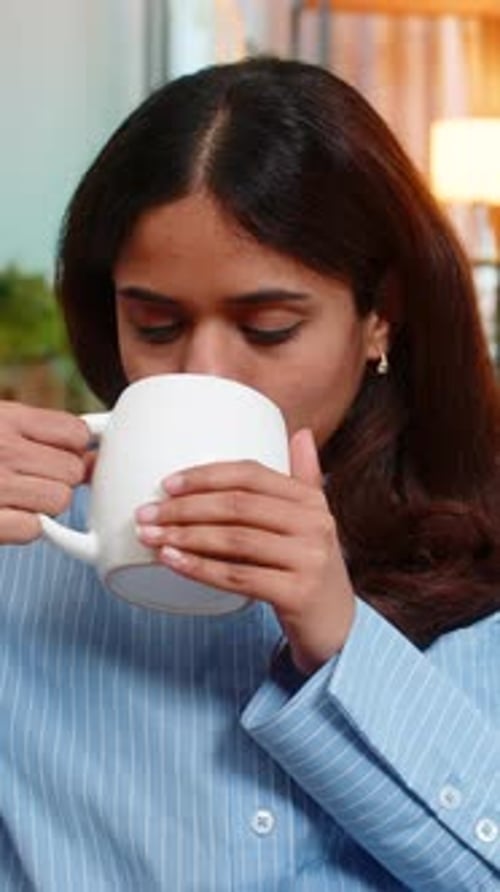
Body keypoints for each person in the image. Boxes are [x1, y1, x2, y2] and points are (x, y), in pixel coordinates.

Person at [1, 56, 499, 892]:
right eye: (154, 325)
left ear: (383, 315)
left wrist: (343, 646)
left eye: (267, 328)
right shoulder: (28, 558)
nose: (203, 372)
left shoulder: (482, 567)